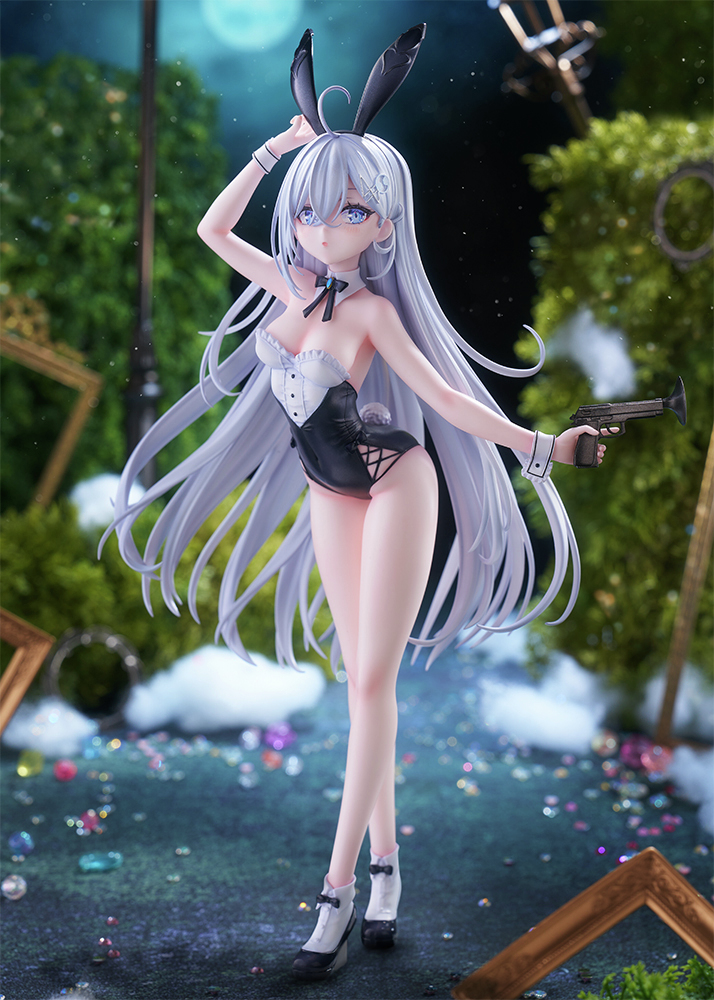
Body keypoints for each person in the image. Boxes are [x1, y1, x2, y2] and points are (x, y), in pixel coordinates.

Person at [104, 24, 604, 981]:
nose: (322, 228)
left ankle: (333, 897)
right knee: (357, 681)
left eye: (349, 211)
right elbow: (213, 231)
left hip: (395, 480)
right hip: (328, 488)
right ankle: (387, 869)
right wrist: (274, 152)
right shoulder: (287, 285)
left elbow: (447, 398)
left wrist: (543, 448)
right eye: (309, 212)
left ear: (381, 225)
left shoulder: (373, 310)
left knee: (374, 684)